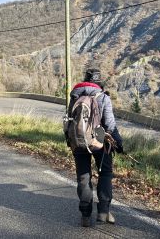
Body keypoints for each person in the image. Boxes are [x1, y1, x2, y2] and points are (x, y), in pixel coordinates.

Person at [67, 68, 124, 227]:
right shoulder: (103, 97)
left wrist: (69, 140)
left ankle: (85, 215)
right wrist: (118, 143)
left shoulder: (75, 95)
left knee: (83, 177)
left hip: (78, 141)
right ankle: (103, 212)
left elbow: (69, 120)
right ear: (99, 82)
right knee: (105, 173)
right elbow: (110, 125)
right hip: (100, 141)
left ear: (85, 79)